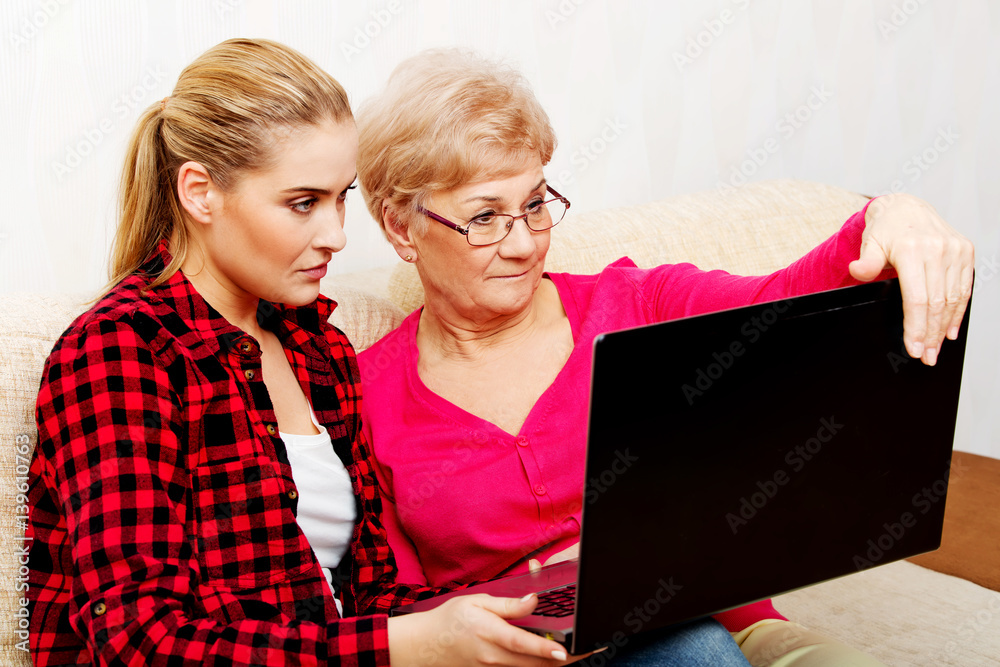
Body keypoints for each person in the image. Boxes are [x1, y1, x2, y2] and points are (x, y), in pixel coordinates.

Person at [29, 38, 704, 667]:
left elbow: (376, 595)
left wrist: (526, 602)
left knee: (678, 637)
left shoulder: (317, 348)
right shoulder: (121, 351)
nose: (336, 235)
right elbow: (141, 640)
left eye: (340, 198)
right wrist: (405, 643)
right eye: (303, 203)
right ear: (201, 193)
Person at [351, 49, 974, 666]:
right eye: (485, 217)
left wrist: (891, 215)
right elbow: (397, 607)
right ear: (402, 228)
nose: (523, 245)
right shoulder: (365, 395)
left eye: (536, 205)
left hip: (725, 626)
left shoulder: (637, 303)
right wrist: (546, 597)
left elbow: (784, 304)